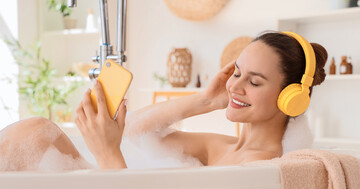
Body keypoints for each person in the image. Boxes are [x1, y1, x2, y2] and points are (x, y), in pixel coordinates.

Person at [0, 31, 328, 171]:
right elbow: (136, 133)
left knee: (35, 133)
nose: (235, 86)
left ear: (291, 98)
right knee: (36, 132)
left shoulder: (261, 166)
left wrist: (108, 154)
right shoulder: (224, 147)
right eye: (237, 72)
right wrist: (202, 100)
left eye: (254, 81)